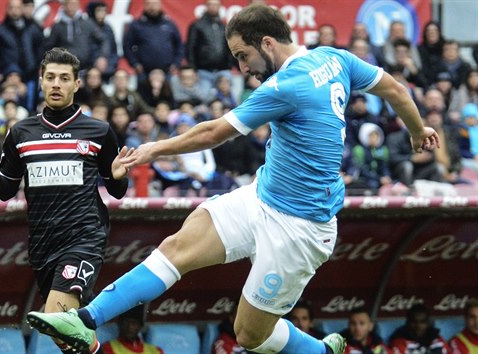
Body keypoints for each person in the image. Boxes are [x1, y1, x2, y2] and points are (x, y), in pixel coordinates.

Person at [26, 5, 439, 354]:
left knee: (248, 334)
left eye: (243, 56)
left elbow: (212, 133)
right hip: (261, 197)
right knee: (178, 246)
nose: (242, 67)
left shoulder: (285, 86)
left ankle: (317, 350)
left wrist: (152, 149)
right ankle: (85, 320)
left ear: (267, 44)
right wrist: (418, 130)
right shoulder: (336, 58)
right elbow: (397, 92)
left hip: (300, 229)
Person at [0, 47, 129, 353]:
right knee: (62, 334)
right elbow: (6, 190)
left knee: (56, 317)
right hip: (43, 243)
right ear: (41, 82)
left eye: (64, 78)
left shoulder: (98, 131)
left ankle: (95, 346)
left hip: (83, 236)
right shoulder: (20, 132)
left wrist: (118, 175)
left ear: (76, 85)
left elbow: (117, 190)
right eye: (51, 77)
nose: (56, 84)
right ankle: (94, 347)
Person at [0, 0, 44, 111]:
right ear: (7, 9)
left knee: (30, 105)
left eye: (17, 8)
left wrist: (39, 66)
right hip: (8, 75)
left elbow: (41, 49)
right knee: (6, 105)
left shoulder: (33, 28)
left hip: (30, 74)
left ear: (22, 8)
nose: (14, 11)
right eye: (11, 8)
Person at [122, 0, 183, 80]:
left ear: (160, 5)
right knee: (143, 92)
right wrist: (134, 63)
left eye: (154, 4)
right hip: (143, 72)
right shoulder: (136, 25)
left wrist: (176, 63)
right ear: (144, 6)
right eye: (148, 4)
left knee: (166, 92)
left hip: (166, 71)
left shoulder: (169, 24)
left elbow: (179, 45)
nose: (152, 7)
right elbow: (127, 46)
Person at [43, 0, 109, 72]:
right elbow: (49, 47)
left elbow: (104, 40)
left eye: (73, 4)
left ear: (78, 5)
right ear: (63, 6)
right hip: (65, 69)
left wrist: (103, 56)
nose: (70, 7)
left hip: (87, 69)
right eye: (67, 4)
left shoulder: (87, 23)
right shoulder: (57, 26)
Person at [186, 0, 236, 88]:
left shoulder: (223, 27)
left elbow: (229, 47)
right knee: (205, 97)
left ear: (220, 7)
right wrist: (193, 68)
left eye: (216, 5)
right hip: (203, 71)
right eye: (211, 4)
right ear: (206, 6)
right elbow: (190, 47)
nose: (214, 7)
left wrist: (229, 66)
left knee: (228, 98)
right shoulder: (197, 25)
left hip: (223, 71)